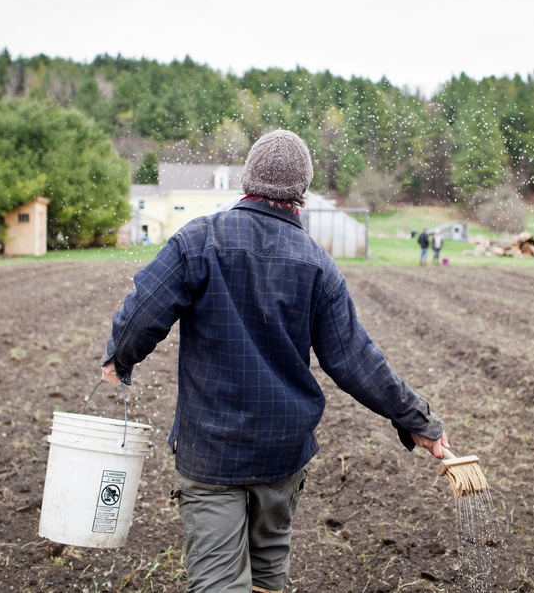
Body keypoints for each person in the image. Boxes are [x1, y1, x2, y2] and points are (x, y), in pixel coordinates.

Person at [101, 129, 448, 593]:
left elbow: (143, 311)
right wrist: (417, 420)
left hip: (212, 453)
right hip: (283, 454)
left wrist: (119, 358)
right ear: (301, 192)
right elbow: (354, 359)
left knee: (218, 583)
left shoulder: (200, 240)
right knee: (267, 574)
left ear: (248, 179)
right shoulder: (317, 263)